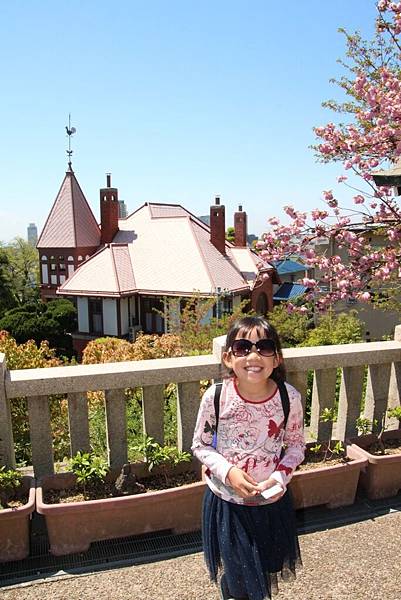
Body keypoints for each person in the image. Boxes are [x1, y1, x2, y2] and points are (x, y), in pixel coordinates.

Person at [191, 315, 305, 600]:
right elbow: (201, 445)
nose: (254, 355)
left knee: (265, 566)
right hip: (228, 504)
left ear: (277, 359)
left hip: (271, 503)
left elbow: (295, 446)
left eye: (264, 347)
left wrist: (279, 477)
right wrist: (228, 472)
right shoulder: (216, 397)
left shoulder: (288, 398)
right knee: (241, 575)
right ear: (229, 358)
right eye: (243, 348)